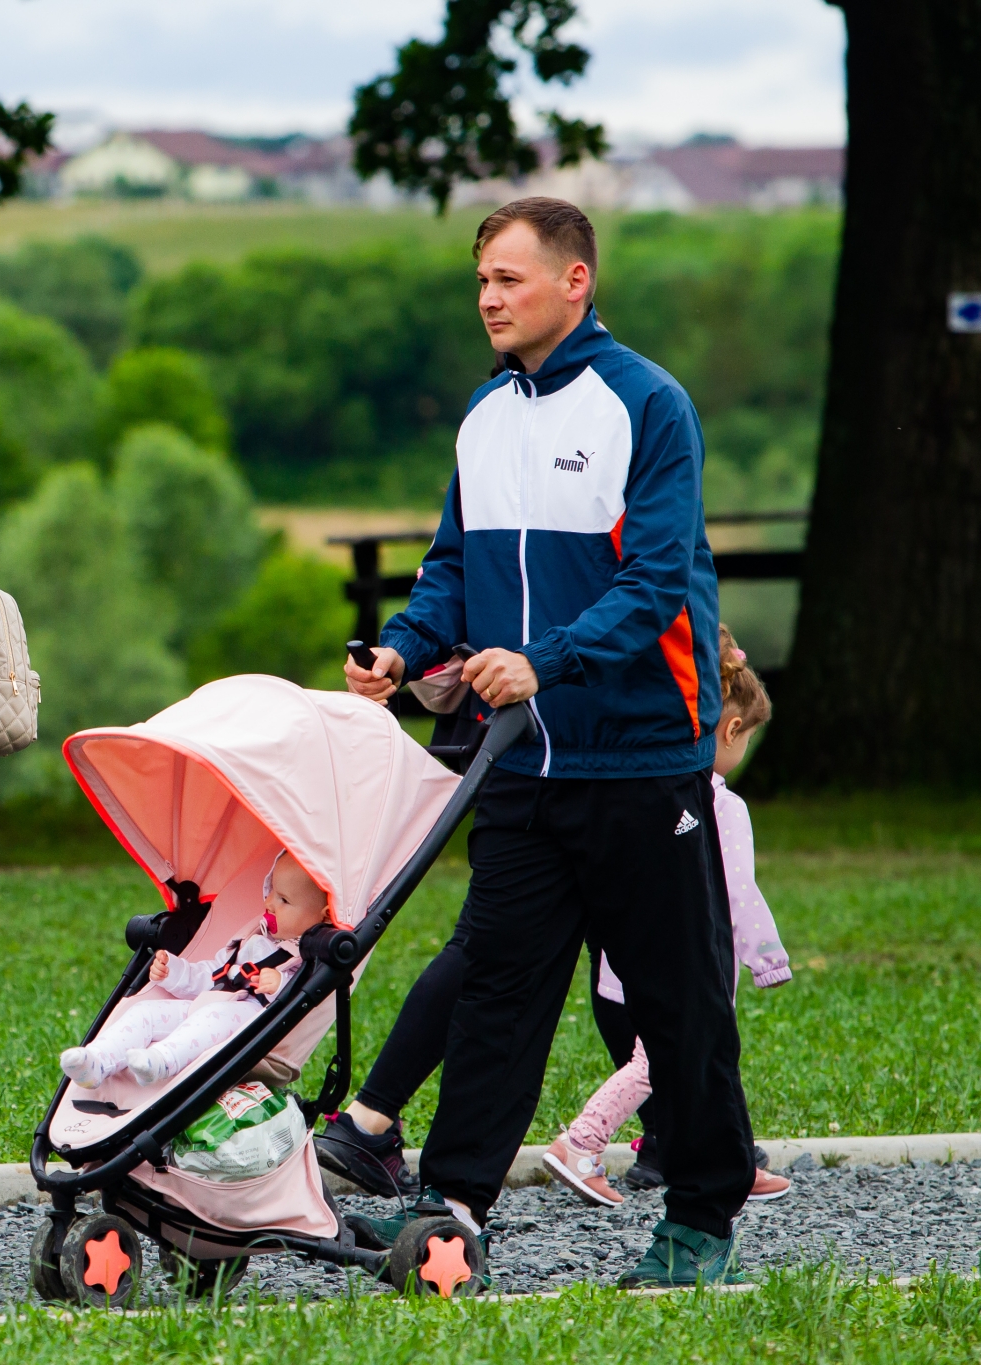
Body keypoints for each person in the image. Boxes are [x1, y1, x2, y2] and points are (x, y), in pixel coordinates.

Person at [343, 197, 757, 1289]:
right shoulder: (484, 416)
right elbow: (448, 568)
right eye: (479, 280)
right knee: (498, 990)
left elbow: (654, 580)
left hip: (639, 758)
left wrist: (546, 661)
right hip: (517, 762)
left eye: (508, 280)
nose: (487, 298)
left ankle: (700, 1222)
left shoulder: (645, 404)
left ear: (574, 281)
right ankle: (450, 1210)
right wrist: (399, 650)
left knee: (675, 1004)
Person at [543, 628, 794, 1207]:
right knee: (659, 1063)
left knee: (706, 1062)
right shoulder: (722, 806)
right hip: (691, 961)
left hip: (625, 961)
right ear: (732, 730)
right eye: (749, 738)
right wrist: (767, 958)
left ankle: (732, 1156)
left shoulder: (645, 790)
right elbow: (738, 891)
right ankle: (579, 1144)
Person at [61, 852, 335, 1087]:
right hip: (206, 1008)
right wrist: (175, 972)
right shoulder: (253, 938)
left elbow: (306, 1003)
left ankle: (164, 1062)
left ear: (322, 915)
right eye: (271, 891)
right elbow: (214, 973)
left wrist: (280, 986)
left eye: (284, 900)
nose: (269, 903)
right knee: (145, 1013)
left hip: (245, 1023)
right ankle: (98, 1060)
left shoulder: (305, 958)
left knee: (210, 1019)